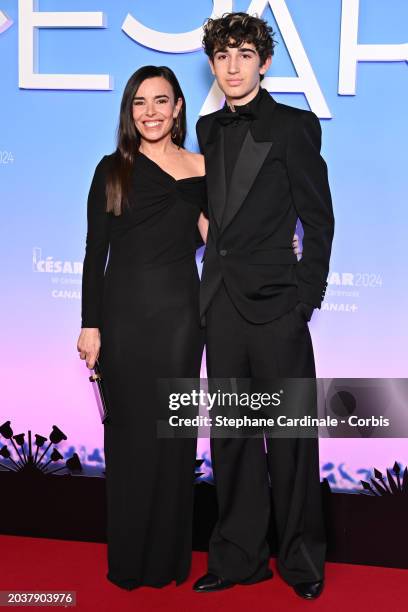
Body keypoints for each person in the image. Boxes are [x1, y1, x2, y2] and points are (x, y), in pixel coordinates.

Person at [193, 12, 335, 600]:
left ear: (265, 62)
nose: (232, 66)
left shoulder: (296, 127)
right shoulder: (204, 130)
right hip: (221, 307)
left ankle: (302, 563)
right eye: (223, 56)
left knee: (292, 440)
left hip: (279, 308)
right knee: (231, 438)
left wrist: (304, 299)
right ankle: (238, 557)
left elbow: (319, 219)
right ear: (213, 64)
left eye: (244, 54)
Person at [76, 65, 208, 590]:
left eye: (161, 101)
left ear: (178, 107)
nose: (150, 112)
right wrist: (91, 325)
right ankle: (130, 561)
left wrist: (272, 252)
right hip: (125, 317)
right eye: (139, 103)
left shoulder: (203, 167)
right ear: (129, 112)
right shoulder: (113, 170)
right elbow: (94, 254)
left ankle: (168, 561)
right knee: (130, 439)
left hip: (181, 317)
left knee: (173, 439)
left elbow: (216, 238)